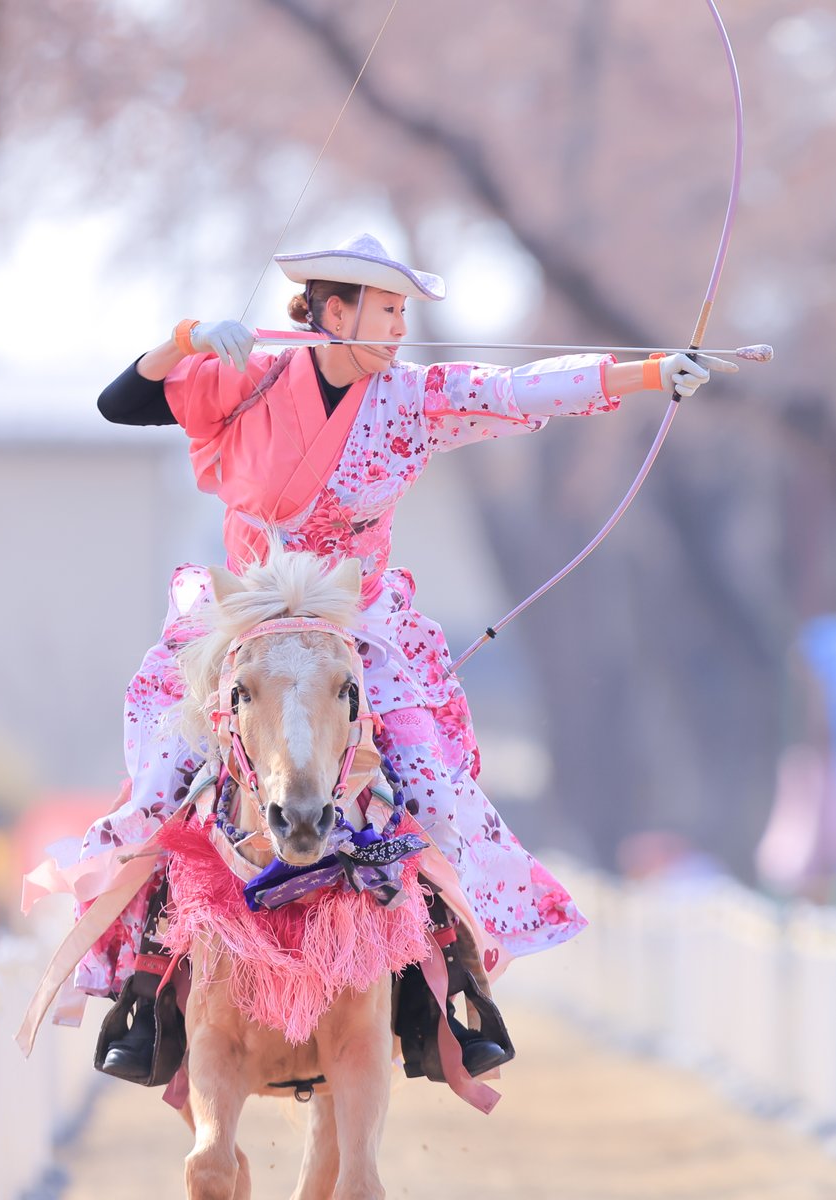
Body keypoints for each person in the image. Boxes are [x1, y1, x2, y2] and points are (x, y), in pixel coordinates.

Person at [79, 232, 735, 1080]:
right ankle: (145, 980)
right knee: (162, 774)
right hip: (241, 605)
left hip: (358, 615)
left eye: (401, 312)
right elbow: (119, 405)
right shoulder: (251, 373)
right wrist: (183, 343)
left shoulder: (410, 397)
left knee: (433, 783)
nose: (398, 327)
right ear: (332, 311)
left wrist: (648, 372)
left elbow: (515, 389)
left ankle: (447, 986)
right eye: (386, 310)